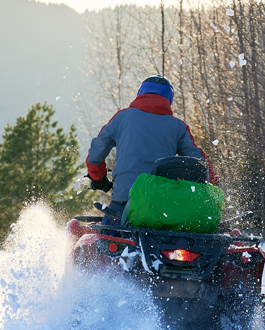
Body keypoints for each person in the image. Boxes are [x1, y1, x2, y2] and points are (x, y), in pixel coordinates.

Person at [86, 75, 218, 225]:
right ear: (169, 98)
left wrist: (99, 178)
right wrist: (214, 186)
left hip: (123, 204)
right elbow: (200, 164)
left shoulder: (122, 117)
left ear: (140, 93)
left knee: (107, 242)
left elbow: (96, 154)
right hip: (161, 206)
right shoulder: (178, 127)